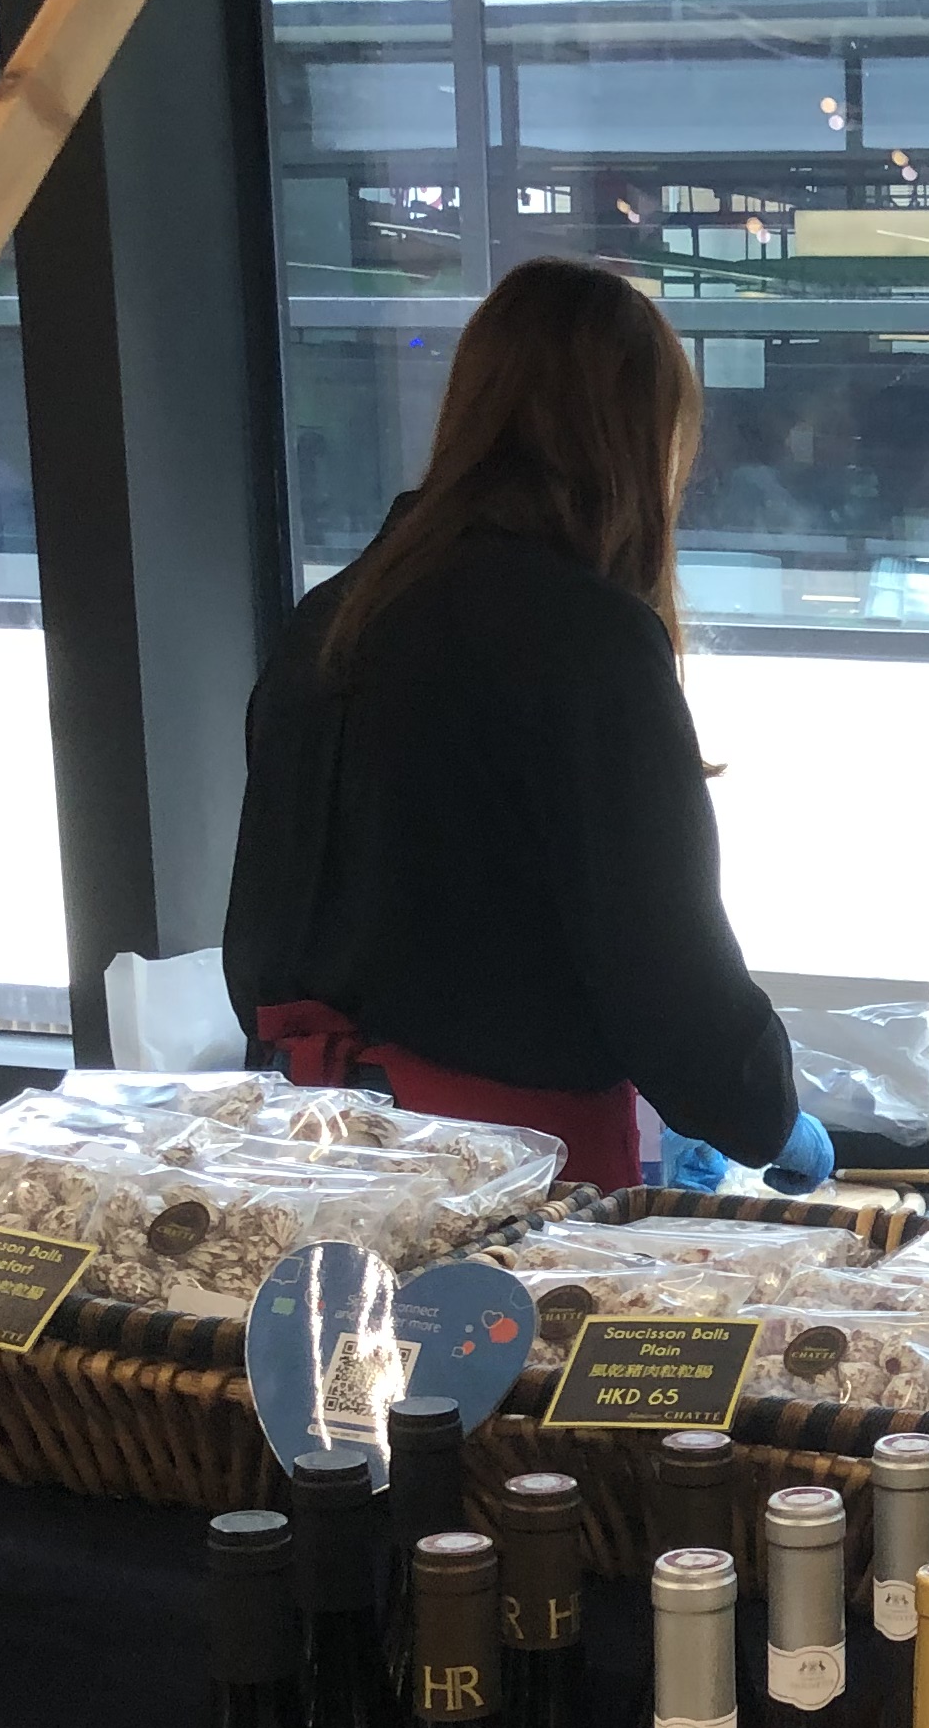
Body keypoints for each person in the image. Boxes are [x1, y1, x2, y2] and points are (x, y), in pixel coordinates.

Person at [225, 256, 822, 1192]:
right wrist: (766, 1115)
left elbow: (262, 932)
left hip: (312, 1148)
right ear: (639, 441)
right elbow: (662, 963)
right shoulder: (585, 638)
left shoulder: (332, 617)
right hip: (510, 1170)